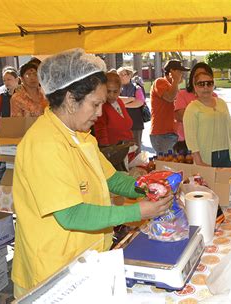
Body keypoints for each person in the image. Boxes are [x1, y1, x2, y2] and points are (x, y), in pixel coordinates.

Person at [11, 49, 171, 298]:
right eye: (95, 104)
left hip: (85, 260)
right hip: (53, 272)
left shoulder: (81, 136)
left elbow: (111, 178)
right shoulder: (44, 143)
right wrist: (138, 211)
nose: (100, 112)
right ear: (70, 99)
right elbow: (71, 215)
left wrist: (146, 186)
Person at [184, 72, 231, 167]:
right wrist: (199, 162)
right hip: (205, 158)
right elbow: (191, 139)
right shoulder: (192, 108)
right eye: (201, 84)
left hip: (226, 155)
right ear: (195, 87)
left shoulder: (222, 103)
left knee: (227, 181)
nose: (206, 87)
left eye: (209, 83)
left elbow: (230, 128)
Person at [174, 62, 217, 154]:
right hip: (185, 144)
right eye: (197, 75)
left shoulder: (215, 97)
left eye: (204, 75)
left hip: (209, 143)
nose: (201, 79)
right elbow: (180, 116)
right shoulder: (183, 94)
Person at [149, 59, 189, 154]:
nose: (182, 74)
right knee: (168, 165)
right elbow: (170, 97)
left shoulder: (173, 87)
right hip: (162, 134)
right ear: (172, 71)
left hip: (172, 134)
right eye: (180, 71)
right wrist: (175, 80)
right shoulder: (160, 82)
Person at [93, 71, 133, 145]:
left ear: (120, 89)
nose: (111, 95)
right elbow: (100, 132)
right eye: (108, 91)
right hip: (113, 152)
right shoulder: (101, 106)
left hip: (127, 149)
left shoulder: (119, 102)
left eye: (115, 91)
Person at [118, 67, 146, 154]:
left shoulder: (137, 88)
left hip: (135, 124)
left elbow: (139, 102)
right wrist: (131, 99)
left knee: (135, 150)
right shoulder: (116, 89)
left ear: (130, 75)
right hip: (121, 125)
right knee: (122, 151)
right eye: (120, 75)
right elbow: (116, 99)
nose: (122, 77)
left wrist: (123, 105)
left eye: (124, 74)